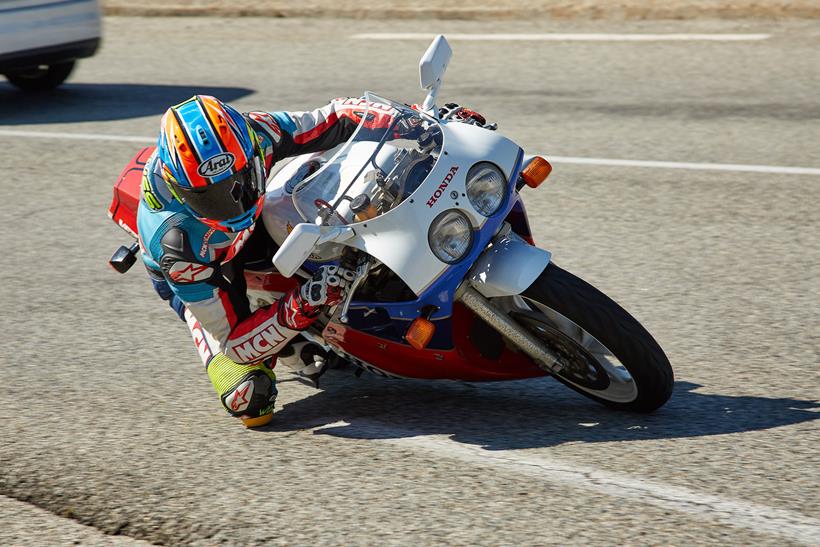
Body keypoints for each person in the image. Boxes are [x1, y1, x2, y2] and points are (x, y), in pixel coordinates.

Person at [137, 95, 486, 427]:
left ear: (250, 154)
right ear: (179, 188)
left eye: (239, 181)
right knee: (248, 398)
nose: (231, 202)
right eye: (210, 197)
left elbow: (334, 117)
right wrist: (302, 304)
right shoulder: (178, 248)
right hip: (209, 265)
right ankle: (289, 341)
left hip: (255, 224)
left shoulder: (256, 133)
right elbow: (237, 344)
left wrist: (415, 121)